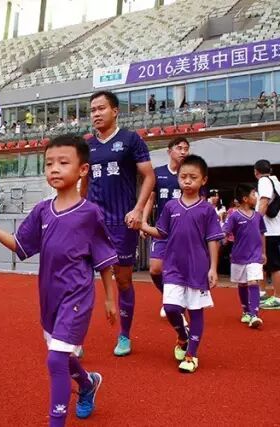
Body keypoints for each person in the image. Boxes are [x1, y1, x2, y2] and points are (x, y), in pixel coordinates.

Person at [0, 135, 118, 426]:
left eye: (63, 163)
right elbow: (20, 246)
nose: (54, 169)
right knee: (62, 355)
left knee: (55, 359)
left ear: (82, 170)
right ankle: (87, 384)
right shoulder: (41, 211)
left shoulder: (90, 213)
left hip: (77, 295)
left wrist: (110, 299)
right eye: (49, 164)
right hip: (49, 296)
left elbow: (104, 260)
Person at [81, 90, 155, 357]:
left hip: (122, 221)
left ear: (115, 111)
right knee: (80, 278)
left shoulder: (131, 140)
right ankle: (74, 337)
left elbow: (149, 177)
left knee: (123, 280)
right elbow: (84, 182)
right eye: (92, 110)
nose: (96, 114)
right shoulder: (87, 145)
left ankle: (124, 335)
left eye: (101, 108)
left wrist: (138, 209)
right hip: (93, 222)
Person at [141, 155, 223, 373]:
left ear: (203, 180)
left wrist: (213, 268)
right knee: (170, 308)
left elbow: (213, 240)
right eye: (183, 176)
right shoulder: (170, 206)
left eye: (193, 177)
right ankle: (182, 335)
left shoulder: (207, 210)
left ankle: (191, 355)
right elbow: (161, 232)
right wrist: (141, 225)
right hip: (173, 267)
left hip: (197, 268)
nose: (187, 181)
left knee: (195, 311)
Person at [142, 136, 190, 317]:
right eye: (179, 148)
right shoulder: (158, 173)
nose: (183, 152)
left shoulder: (190, 175)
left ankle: (177, 301)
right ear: (169, 151)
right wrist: (144, 221)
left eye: (186, 148)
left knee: (180, 269)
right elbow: (150, 198)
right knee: (155, 269)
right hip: (162, 229)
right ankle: (169, 297)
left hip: (183, 230)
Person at [222, 184, 266, 329]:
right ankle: (246, 310)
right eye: (254, 194)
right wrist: (220, 240)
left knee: (253, 282)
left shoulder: (258, 216)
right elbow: (225, 232)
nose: (256, 197)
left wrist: (263, 252)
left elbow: (262, 234)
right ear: (245, 199)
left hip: (255, 255)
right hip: (239, 255)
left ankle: (254, 314)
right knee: (242, 284)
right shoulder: (234, 216)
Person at [254, 160, 280, 310]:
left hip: (268, 231)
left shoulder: (263, 181)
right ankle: (262, 293)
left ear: (256, 171)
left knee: (273, 265)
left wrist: (254, 222)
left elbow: (264, 201)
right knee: (262, 262)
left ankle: (278, 298)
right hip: (272, 230)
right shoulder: (275, 181)